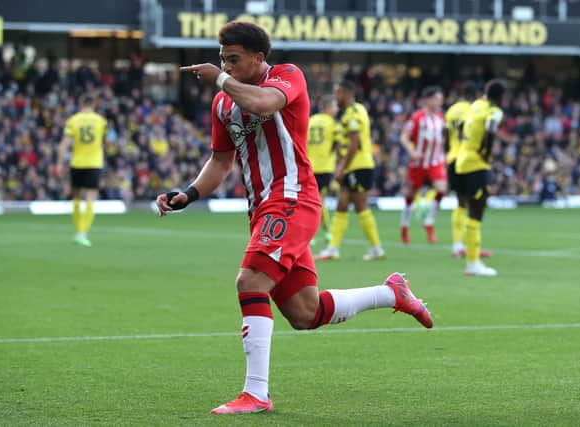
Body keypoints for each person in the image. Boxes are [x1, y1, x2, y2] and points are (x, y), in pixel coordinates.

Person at [156, 21, 433, 415]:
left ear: (258, 58)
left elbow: (264, 104)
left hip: (293, 199)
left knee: (250, 280)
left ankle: (256, 393)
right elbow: (220, 161)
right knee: (305, 313)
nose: (226, 65)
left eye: (233, 60)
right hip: (262, 210)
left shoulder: (287, 76)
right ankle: (392, 293)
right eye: (222, 59)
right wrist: (189, 193)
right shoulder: (222, 104)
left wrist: (219, 79)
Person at [315, 80, 385, 261]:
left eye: (338, 93)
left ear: (347, 94)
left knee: (360, 206)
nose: (336, 97)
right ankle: (333, 248)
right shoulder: (356, 110)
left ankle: (376, 248)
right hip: (355, 166)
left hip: (358, 166)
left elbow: (354, 145)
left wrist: (341, 168)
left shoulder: (352, 114)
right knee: (342, 205)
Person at [455, 79, 506, 276]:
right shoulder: (495, 110)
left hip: (462, 161)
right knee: (476, 212)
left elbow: (459, 126)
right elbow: (491, 128)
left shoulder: (475, 105)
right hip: (476, 164)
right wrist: (485, 151)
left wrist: (466, 143)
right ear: (501, 97)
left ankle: (472, 261)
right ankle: (473, 263)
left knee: (470, 210)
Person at [445, 81, 492, 259]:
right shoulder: (472, 110)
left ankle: (458, 246)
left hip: (452, 158)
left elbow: (446, 136)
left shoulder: (451, 110)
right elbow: (464, 132)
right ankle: (470, 247)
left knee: (460, 203)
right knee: (474, 205)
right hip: (466, 161)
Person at [56, 94, 107, 247]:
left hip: (76, 163)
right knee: (91, 198)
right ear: (94, 105)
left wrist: (59, 163)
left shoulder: (73, 120)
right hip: (94, 164)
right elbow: (104, 143)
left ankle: (78, 231)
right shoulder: (100, 121)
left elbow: (64, 144)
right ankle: (82, 234)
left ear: (81, 103)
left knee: (76, 198)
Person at [399, 86, 446, 244]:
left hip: (435, 162)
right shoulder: (417, 117)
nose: (440, 101)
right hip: (418, 163)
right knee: (411, 195)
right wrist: (412, 151)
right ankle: (404, 228)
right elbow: (404, 137)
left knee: (442, 189)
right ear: (428, 100)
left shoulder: (440, 118)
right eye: (437, 99)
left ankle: (429, 223)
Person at [307, 94, 340, 244]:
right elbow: (338, 144)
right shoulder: (333, 123)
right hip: (325, 167)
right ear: (328, 108)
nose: (336, 109)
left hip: (310, 166)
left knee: (310, 202)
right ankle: (327, 232)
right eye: (334, 106)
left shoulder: (311, 121)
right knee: (320, 202)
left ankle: (310, 234)